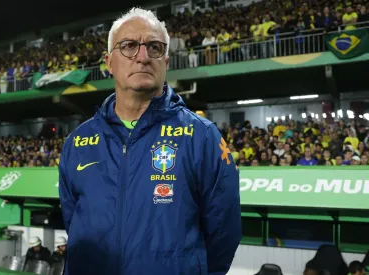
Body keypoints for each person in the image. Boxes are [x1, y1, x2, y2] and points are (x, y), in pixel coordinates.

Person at [58, 7, 241, 275]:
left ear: (165, 62)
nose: (142, 57)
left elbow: (224, 233)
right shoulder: (78, 142)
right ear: (109, 62)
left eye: (154, 47)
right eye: (129, 46)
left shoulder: (202, 136)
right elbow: (73, 221)